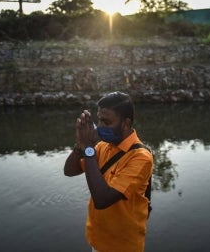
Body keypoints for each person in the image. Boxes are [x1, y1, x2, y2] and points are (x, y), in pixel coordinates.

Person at [64, 91, 153, 252]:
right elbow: (69, 171)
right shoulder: (103, 146)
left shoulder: (140, 157)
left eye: (107, 122)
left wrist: (88, 148)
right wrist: (80, 146)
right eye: (99, 120)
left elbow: (102, 199)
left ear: (126, 123)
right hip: (97, 240)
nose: (101, 126)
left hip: (123, 245)